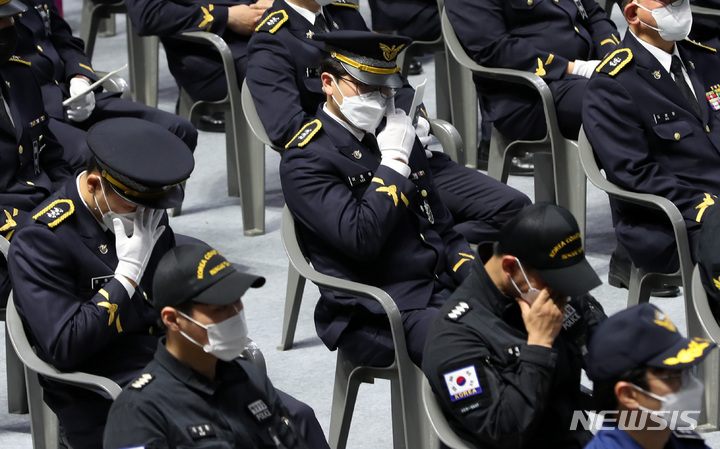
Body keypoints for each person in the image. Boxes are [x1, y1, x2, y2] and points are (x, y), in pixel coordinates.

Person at [247, 1, 531, 244]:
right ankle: (429, 250)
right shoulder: (272, 40)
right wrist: (380, 145)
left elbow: (396, 82)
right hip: (353, 175)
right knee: (392, 236)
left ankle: (432, 248)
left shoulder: (345, 15)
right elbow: (289, 130)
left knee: (514, 211)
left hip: (410, 156)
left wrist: (410, 119)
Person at [280, 31, 475, 368]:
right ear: (328, 82)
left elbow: (441, 225)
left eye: (387, 87)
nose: (383, 98)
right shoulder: (306, 159)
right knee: (471, 351)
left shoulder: (393, 132)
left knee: (525, 313)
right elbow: (362, 239)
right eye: (368, 87)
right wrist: (394, 163)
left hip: (432, 285)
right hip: (375, 308)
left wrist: (477, 280)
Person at [8, 117, 194, 448]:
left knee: (292, 418)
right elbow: (66, 346)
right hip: (99, 384)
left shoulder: (142, 208)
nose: (145, 216)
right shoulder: (40, 241)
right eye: (135, 205)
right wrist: (125, 277)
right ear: (94, 184)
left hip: (164, 361)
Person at [104, 243, 328, 449]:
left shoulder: (250, 378)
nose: (234, 315)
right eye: (219, 309)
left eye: (236, 302)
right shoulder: (138, 413)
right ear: (172, 320)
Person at [422, 202, 606, 449]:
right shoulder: (454, 337)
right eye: (553, 281)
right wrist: (539, 347)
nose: (563, 291)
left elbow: (610, 354)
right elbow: (505, 431)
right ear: (510, 266)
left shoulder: (557, 292)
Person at [582, 0, 720, 285]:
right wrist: (708, 206)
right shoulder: (613, 84)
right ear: (633, 14)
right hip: (677, 221)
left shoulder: (706, 58)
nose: (681, 8)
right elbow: (635, 174)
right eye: (671, 3)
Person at [14, 0, 198, 171]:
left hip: (68, 94)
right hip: (30, 113)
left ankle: (153, 204)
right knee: (95, 156)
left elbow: (64, 41)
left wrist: (81, 77)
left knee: (177, 130)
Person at [445, 0, 620, 142]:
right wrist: (575, 68)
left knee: (640, 87)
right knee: (618, 101)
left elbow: (594, 14)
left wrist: (610, 58)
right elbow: (495, 50)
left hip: (587, 74)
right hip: (529, 94)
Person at [0, 0, 73, 305]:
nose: (11, 26)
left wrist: (76, 200)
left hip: (43, 210)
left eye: (11, 19)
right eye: (0, 22)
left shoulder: (19, 74)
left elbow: (52, 158)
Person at [585, 302, 717, 449]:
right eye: (673, 376)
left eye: (687, 372)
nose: (693, 385)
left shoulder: (682, 442)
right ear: (628, 395)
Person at [125, 0, 272, 128]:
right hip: (215, 56)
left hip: (264, 31)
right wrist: (226, 16)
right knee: (282, 71)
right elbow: (148, 15)